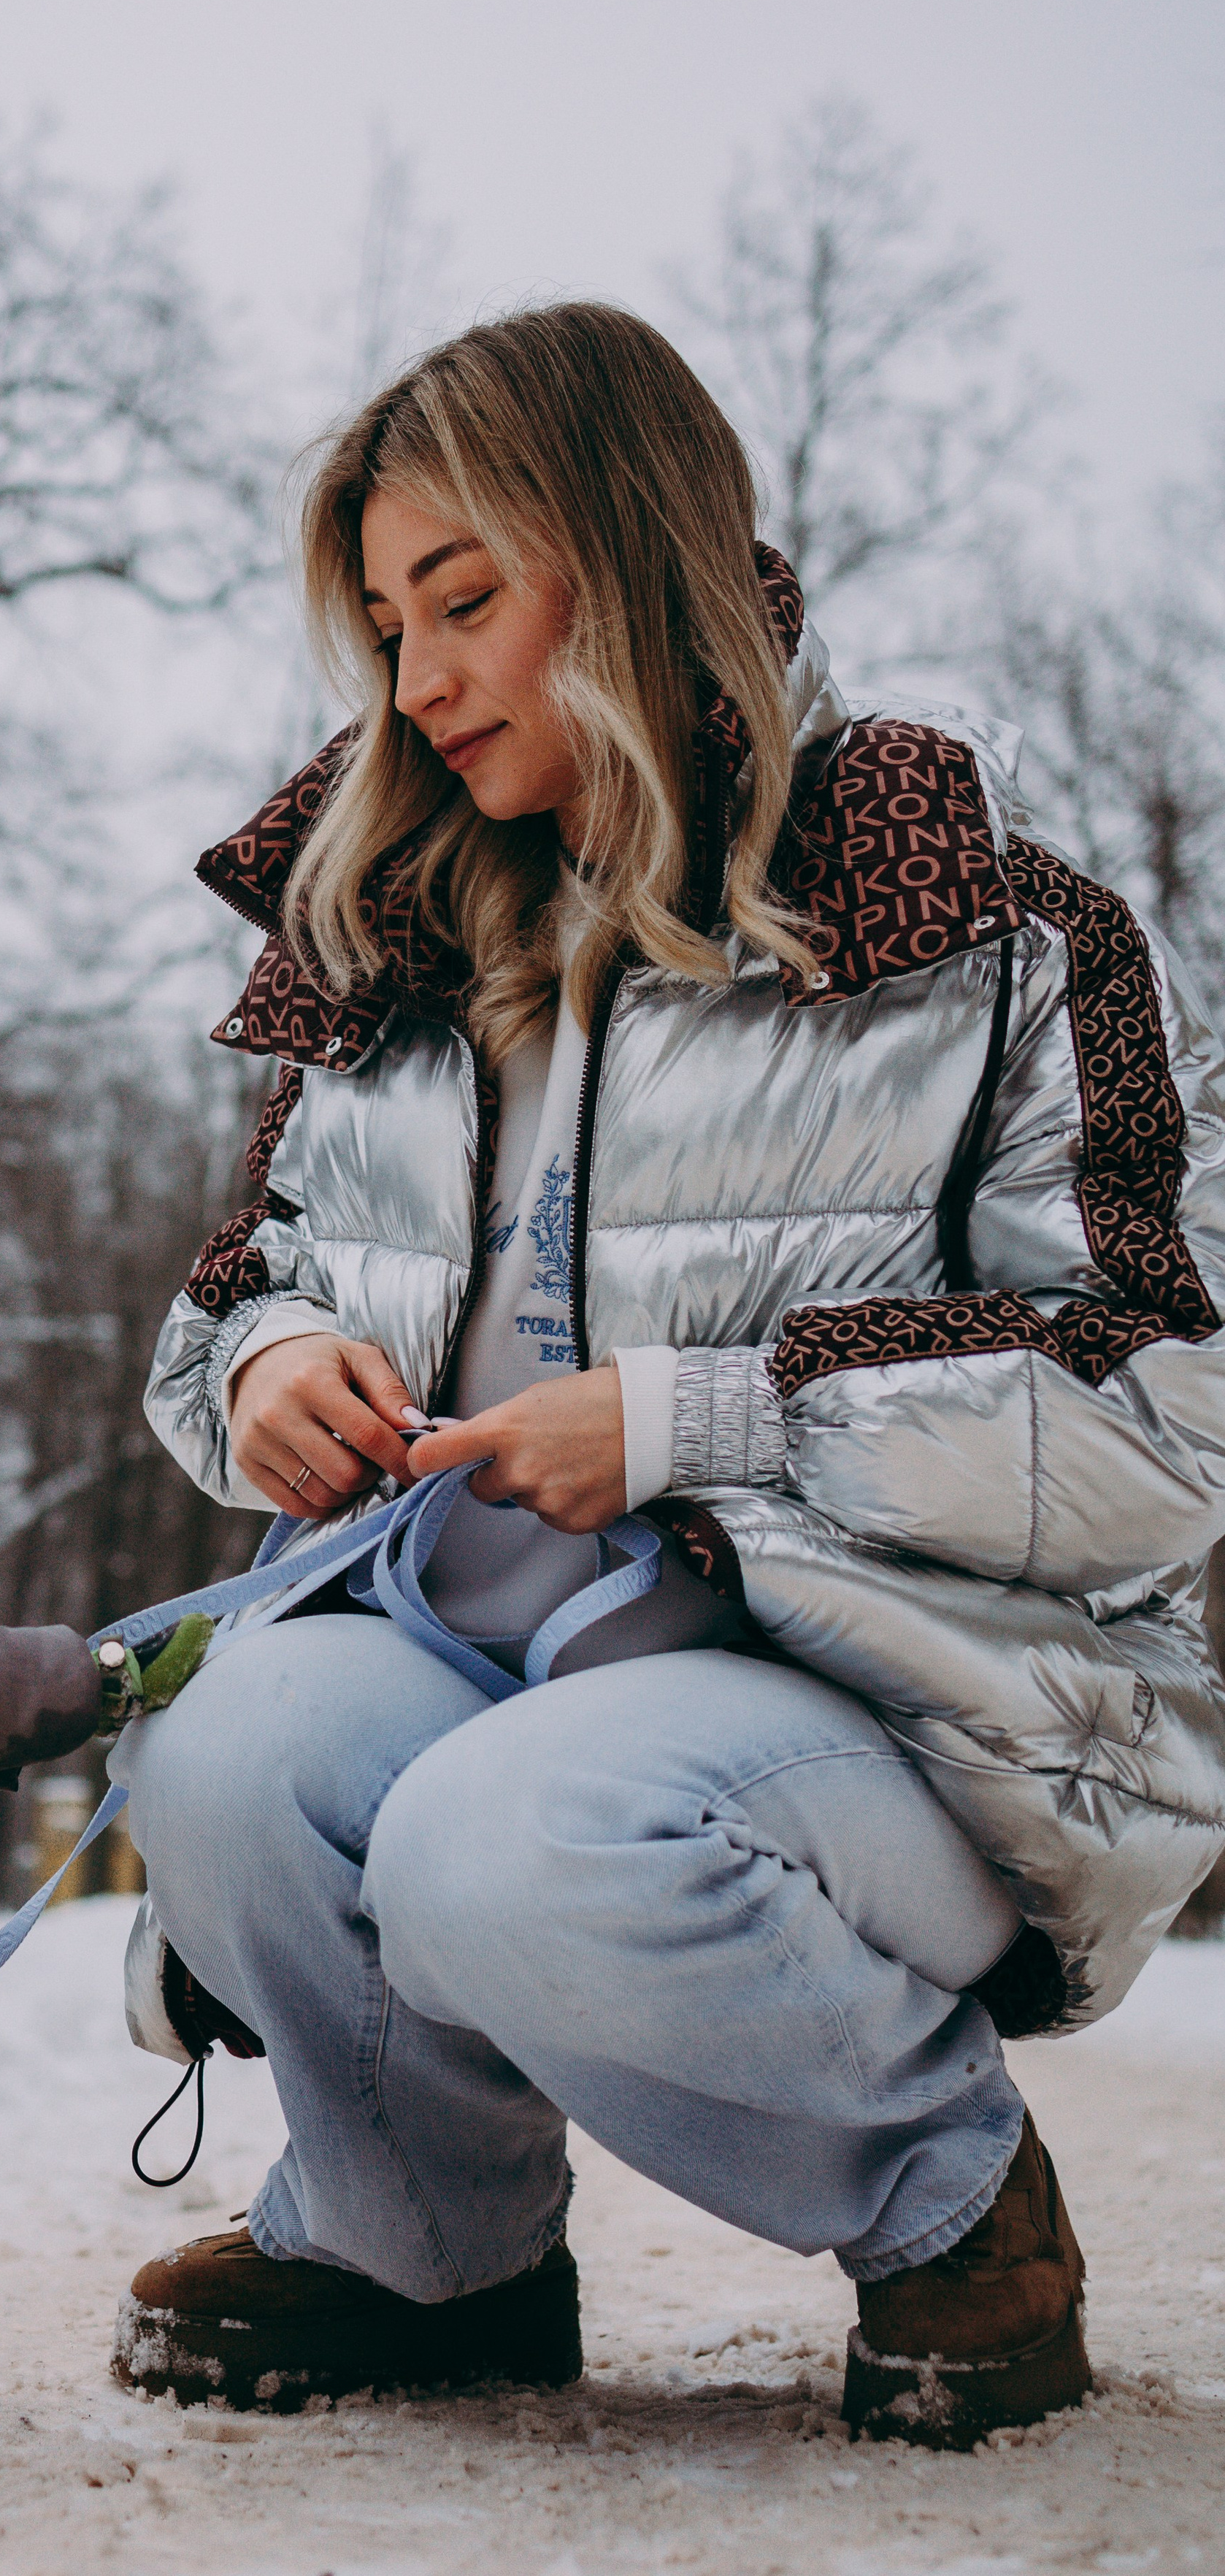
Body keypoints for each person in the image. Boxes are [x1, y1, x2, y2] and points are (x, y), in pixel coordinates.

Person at [110, 304, 1225, 2448]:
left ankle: (953, 2201)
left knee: (503, 1837)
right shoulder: (394, 935)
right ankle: (418, 2248)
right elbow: (235, 1291)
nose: (414, 681)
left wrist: (708, 1415)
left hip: (883, 1712)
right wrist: (267, 1365)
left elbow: (1162, 1397)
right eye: (379, 621)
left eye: (463, 601)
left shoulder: (971, 907)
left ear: (624, 568)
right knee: (232, 1752)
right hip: (468, 1654)